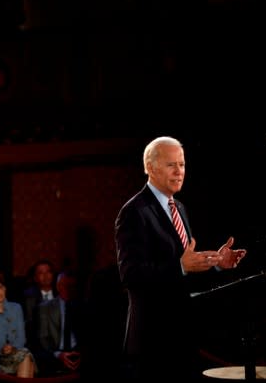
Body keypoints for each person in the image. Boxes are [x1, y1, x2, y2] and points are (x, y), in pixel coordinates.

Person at [114, 136, 247, 382]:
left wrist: (216, 263)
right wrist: (180, 266)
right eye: (171, 165)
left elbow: (185, 271)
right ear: (150, 168)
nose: (179, 172)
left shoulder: (181, 208)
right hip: (152, 344)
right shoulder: (134, 212)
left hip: (183, 339)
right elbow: (131, 275)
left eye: (182, 164)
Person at [35, 269, 84, 376]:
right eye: (63, 285)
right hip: (54, 354)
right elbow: (42, 340)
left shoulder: (84, 307)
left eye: (71, 286)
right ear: (57, 286)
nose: (67, 289)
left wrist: (81, 353)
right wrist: (58, 354)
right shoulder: (44, 308)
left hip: (78, 354)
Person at [21, 258, 56, 351]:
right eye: (41, 273)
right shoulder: (29, 296)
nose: (45, 276)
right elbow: (29, 324)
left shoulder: (62, 293)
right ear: (35, 278)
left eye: (48, 272)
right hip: (38, 344)